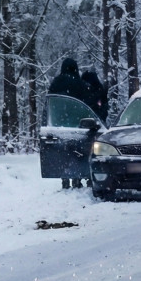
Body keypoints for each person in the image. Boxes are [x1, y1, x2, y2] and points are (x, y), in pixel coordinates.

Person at [48, 57, 92, 188]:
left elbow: (51, 100)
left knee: (63, 151)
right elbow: (87, 103)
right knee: (77, 151)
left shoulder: (56, 82)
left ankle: (65, 177)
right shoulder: (80, 83)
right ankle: (77, 178)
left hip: (59, 123)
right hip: (77, 124)